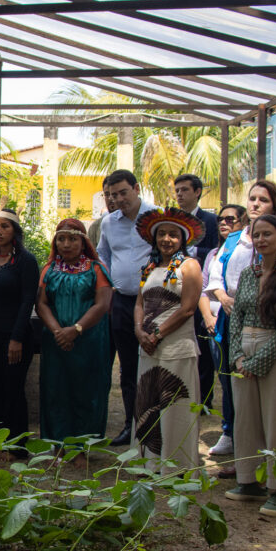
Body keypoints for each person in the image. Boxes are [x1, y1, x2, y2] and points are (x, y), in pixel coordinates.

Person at [205, 180, 276, 458]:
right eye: (252, 198)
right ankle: (231, 432)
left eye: (263, 200)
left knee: (265, 391)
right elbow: (216, 276)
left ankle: (268, 457)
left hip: (266, 324)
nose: (255, 204)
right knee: (230, 379)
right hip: (229, 317)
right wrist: (223, 299)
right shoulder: (234, 239)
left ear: (275, 206)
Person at [225, 214, 276, 516]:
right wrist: (237, 356)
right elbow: (237, 318)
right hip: (244, 352)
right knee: (245, 418)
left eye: (267, 234)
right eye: (256, 235)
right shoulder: (248, 274)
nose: (260, 240)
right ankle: (249, 480)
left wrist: (259, 360)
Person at [131, 207, 204, 474]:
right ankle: (149, 465)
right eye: (162, 234)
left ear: (183, 239)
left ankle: (178, 468)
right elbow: (140, 303)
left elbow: (187, 309)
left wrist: (158, 334)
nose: (167, 239)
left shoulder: (190, 266)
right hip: (147, 347)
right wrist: (140, 332)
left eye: (173, 235)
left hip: (176, 346)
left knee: (176, 406)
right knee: (148, 403)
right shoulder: (149, 268)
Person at [36, 218, 113, 446]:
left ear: (83, 242)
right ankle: (57, 442)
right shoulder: (49, 269)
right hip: (56, 341)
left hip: (89, 342)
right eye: (61, 239)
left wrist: (76, 330)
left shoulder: (96, 269)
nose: (66, 244)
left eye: (72, 239)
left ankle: (82, 446)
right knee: (56, 390)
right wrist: (59, 331)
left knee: (87, 392)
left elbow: (102, 304)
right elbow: (41, 304)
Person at [97, 169, 155, 446]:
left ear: (136, 188)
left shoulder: (158, 216)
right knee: (128, 367)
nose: (118, 199)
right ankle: (131, 427)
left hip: (155, 303)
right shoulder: (109, 223)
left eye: (123, 192)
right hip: (121, 301)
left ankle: (157, 425)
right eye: (112, 194)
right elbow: (103, 255)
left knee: (155, 362)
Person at [0, 208, 40, 458]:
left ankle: (17, 446)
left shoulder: (26, 261)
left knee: (13, 388)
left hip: (14, 335)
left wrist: (16, 338)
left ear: (15, 232)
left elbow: (27, 301)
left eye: (5, 226)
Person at [174, 173, 220, 417]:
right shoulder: (172, 219)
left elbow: (215, 250)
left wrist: (194, 251)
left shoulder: (210, 221)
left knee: (202, 348)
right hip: (175, 290)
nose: (179, 194)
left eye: (184, 190)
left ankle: (204, 399)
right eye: (177, 190)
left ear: (197, 191)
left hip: (201, 291)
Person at [199, 204, 247, 415]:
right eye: (220, 219)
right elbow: (203, 288)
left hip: (240, 324)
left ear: (243, 222)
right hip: (214, 324)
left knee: (240, 378)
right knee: (224, 377)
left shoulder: (247, 252)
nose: (223, 223)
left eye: (230, 219)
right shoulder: (213, 254)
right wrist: (208, 316)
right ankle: (228, 429)